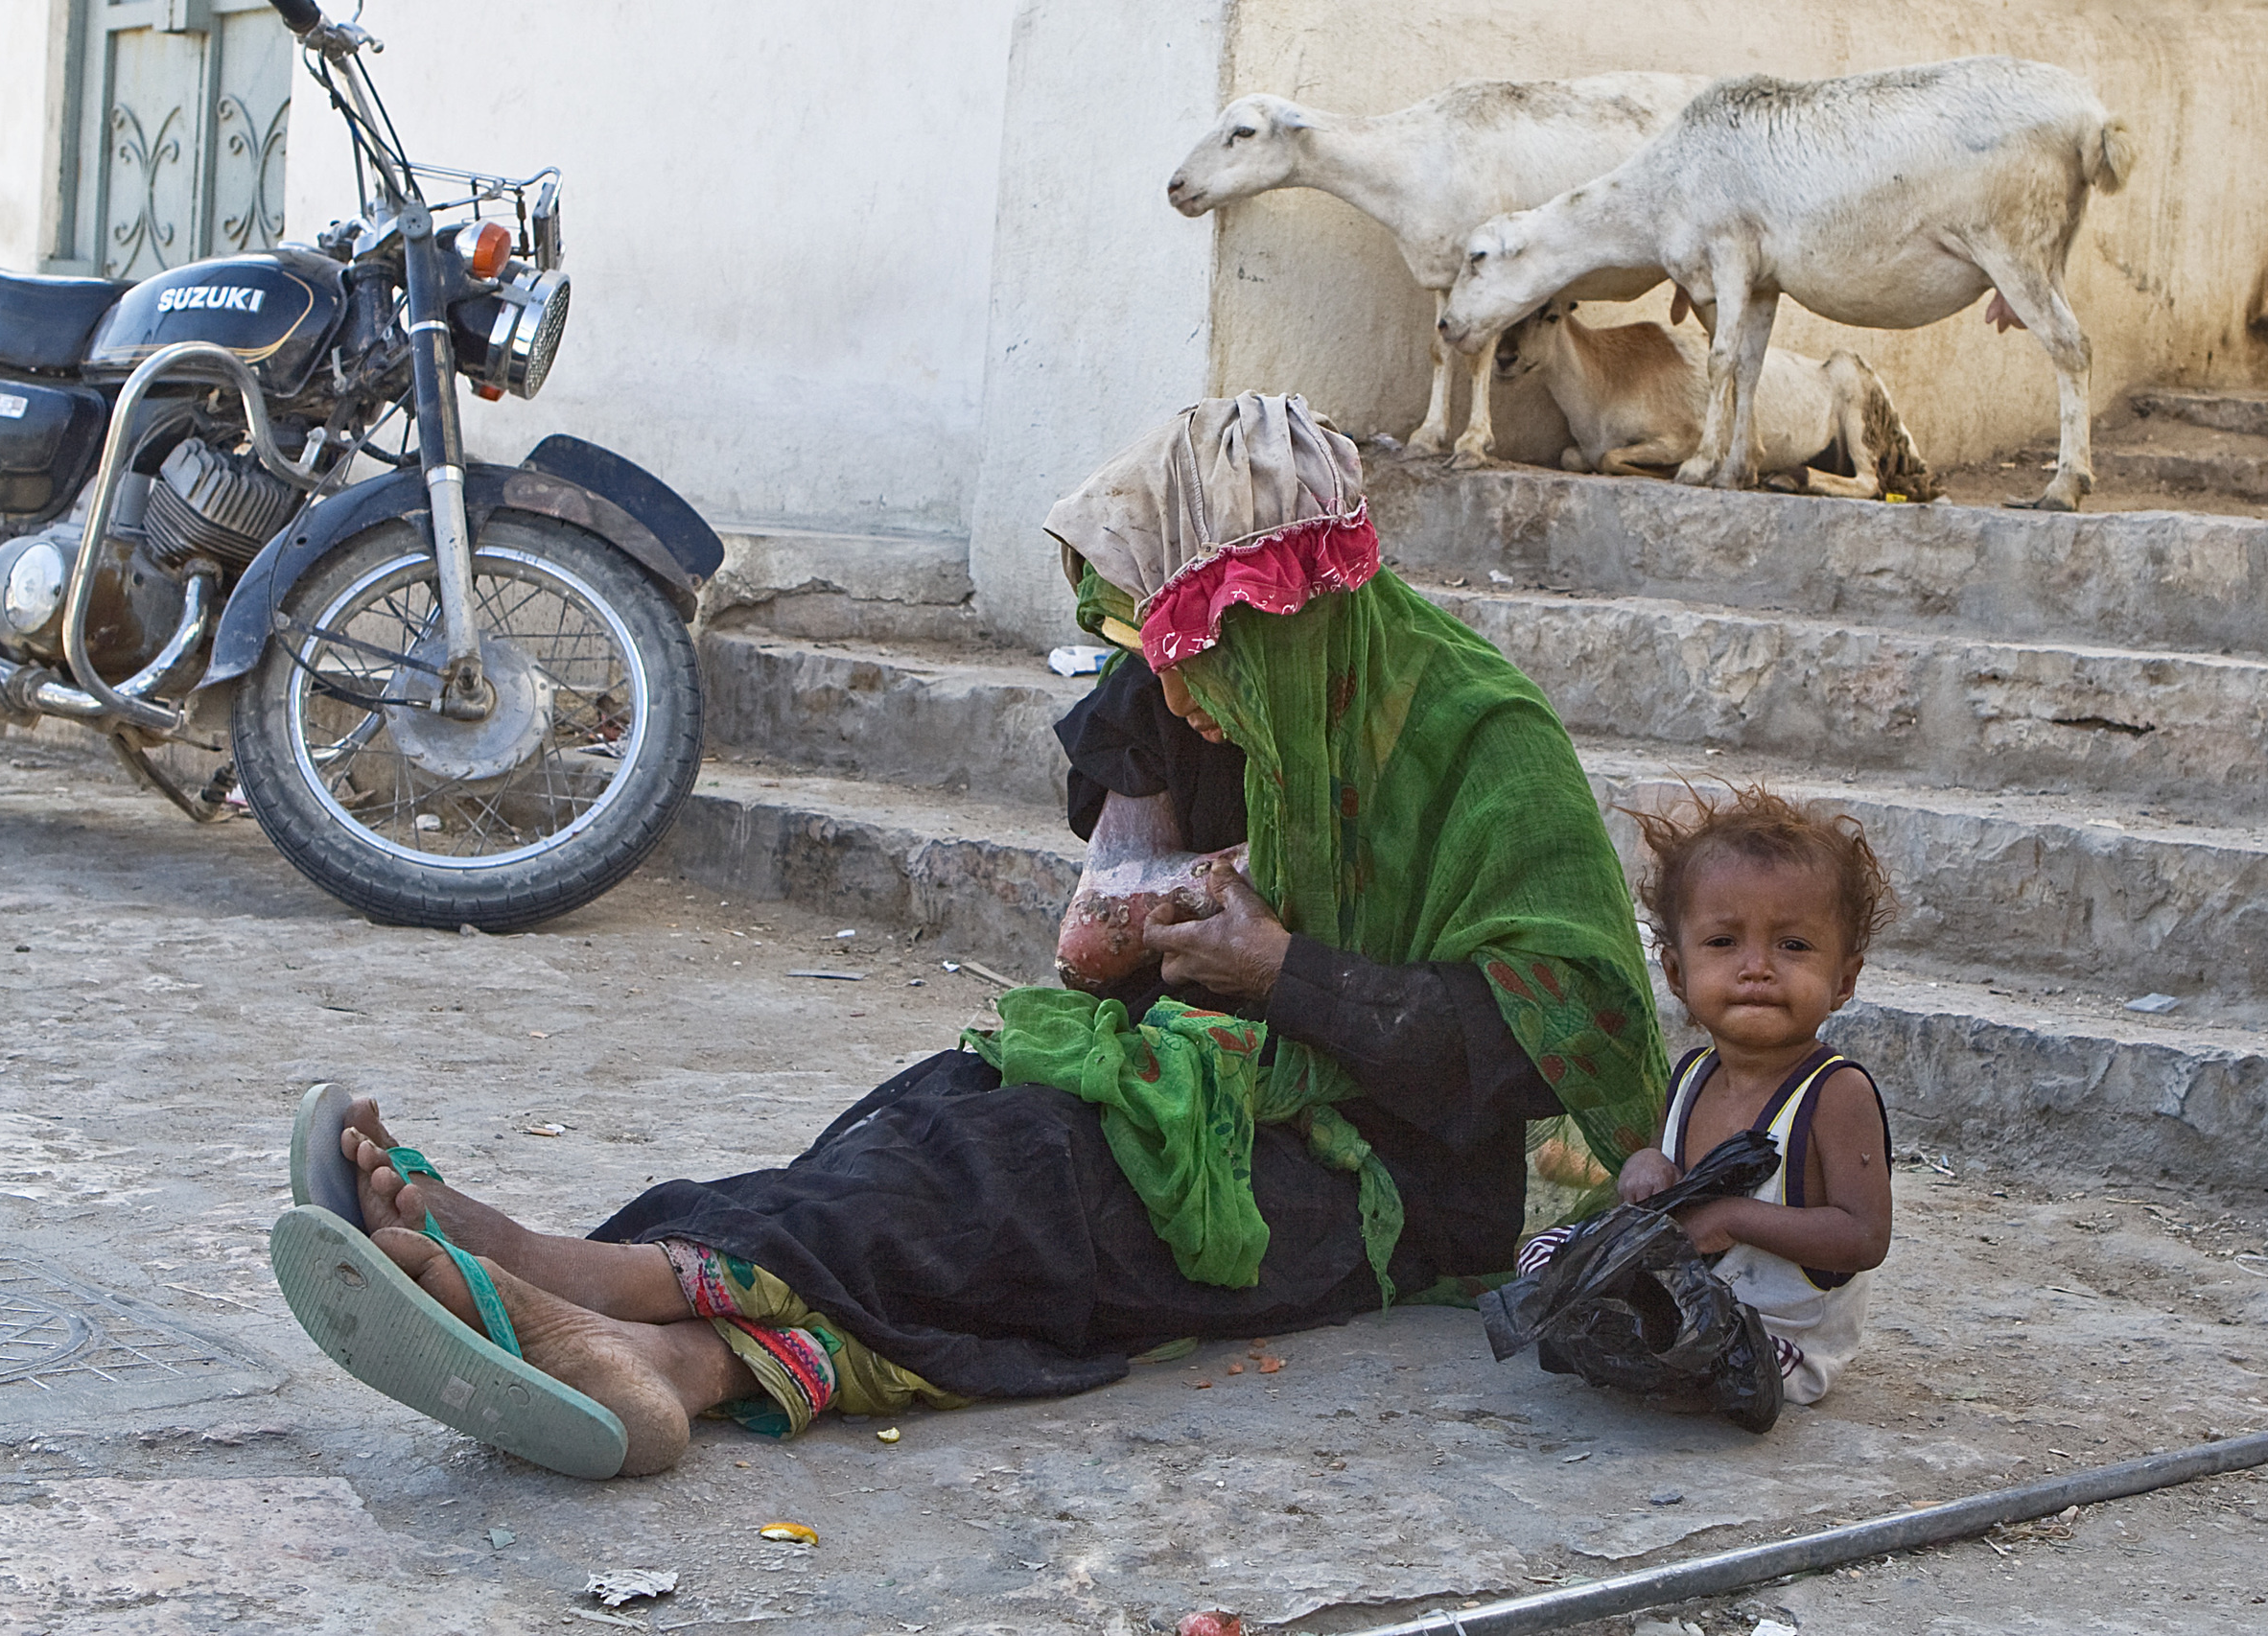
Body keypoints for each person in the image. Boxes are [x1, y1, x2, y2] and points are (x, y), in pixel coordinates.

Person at [286, 393, 1674, 1476]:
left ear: (1287, 621)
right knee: (936, 1122)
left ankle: (585, 1275)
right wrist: (1189, 940)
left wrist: (1281, 969)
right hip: (1213, 1080)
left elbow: (1562, 1054)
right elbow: (1097, 937)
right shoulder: (1222, 695)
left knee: (1029, 1194)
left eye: (1197, 662)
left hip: (1407, 1189)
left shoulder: (1483, 746)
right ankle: (662, 1356)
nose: (1179, 701)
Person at [1516, 784, 1895, 1406]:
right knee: (1547, 1252)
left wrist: (1732, 1218)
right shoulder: (1692, 1075)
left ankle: (1670, 1350)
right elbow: (1667, 1166)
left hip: (1775, 1334)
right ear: (1675, 973)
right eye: (1724, 943)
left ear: (1844, 979)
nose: (1757, 968)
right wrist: (1646, 1166)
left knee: (1705, 1347)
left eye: (1792, 946)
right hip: (1687, 1291)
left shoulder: (1834, 1094)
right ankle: (1654, 1339)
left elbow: (1862, 1238)